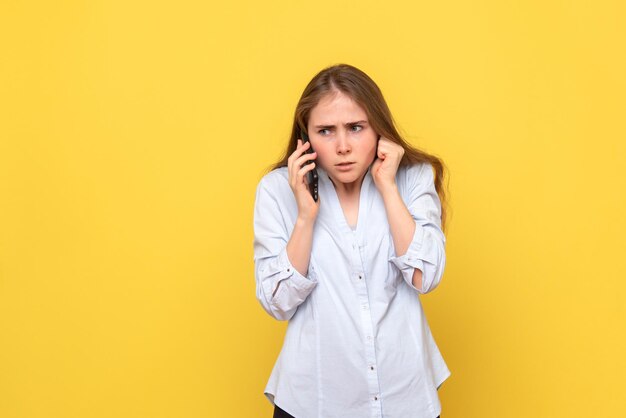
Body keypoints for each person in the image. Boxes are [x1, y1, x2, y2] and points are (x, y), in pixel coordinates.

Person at [253, 63, 450, 418]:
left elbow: (426, 277)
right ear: (306, 137)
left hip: (404, 397)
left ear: (378, 128)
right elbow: (277, 302)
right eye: (326, 131)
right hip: (314, 401)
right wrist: (305, 217)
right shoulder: (276, 191)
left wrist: (388, 187)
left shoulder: (412, 179)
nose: (343, 146)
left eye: (356, 128)